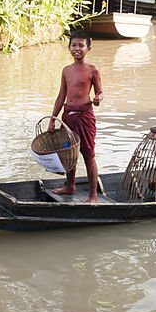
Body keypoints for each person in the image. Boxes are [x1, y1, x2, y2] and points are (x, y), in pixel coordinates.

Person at [49, 30, 103, 202]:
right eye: (74, 45)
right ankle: (70, 186)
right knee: (68, 152)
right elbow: (61, 97)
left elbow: (100, 92)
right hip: (68, 117)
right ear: (69, 47)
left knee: (88, 154)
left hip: (84, 116)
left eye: (81, 45)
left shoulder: (92, 70)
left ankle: (93, 195)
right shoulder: (66, 70)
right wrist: (52, 119)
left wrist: (97, 99)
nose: (77, 48)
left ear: (89, 48)